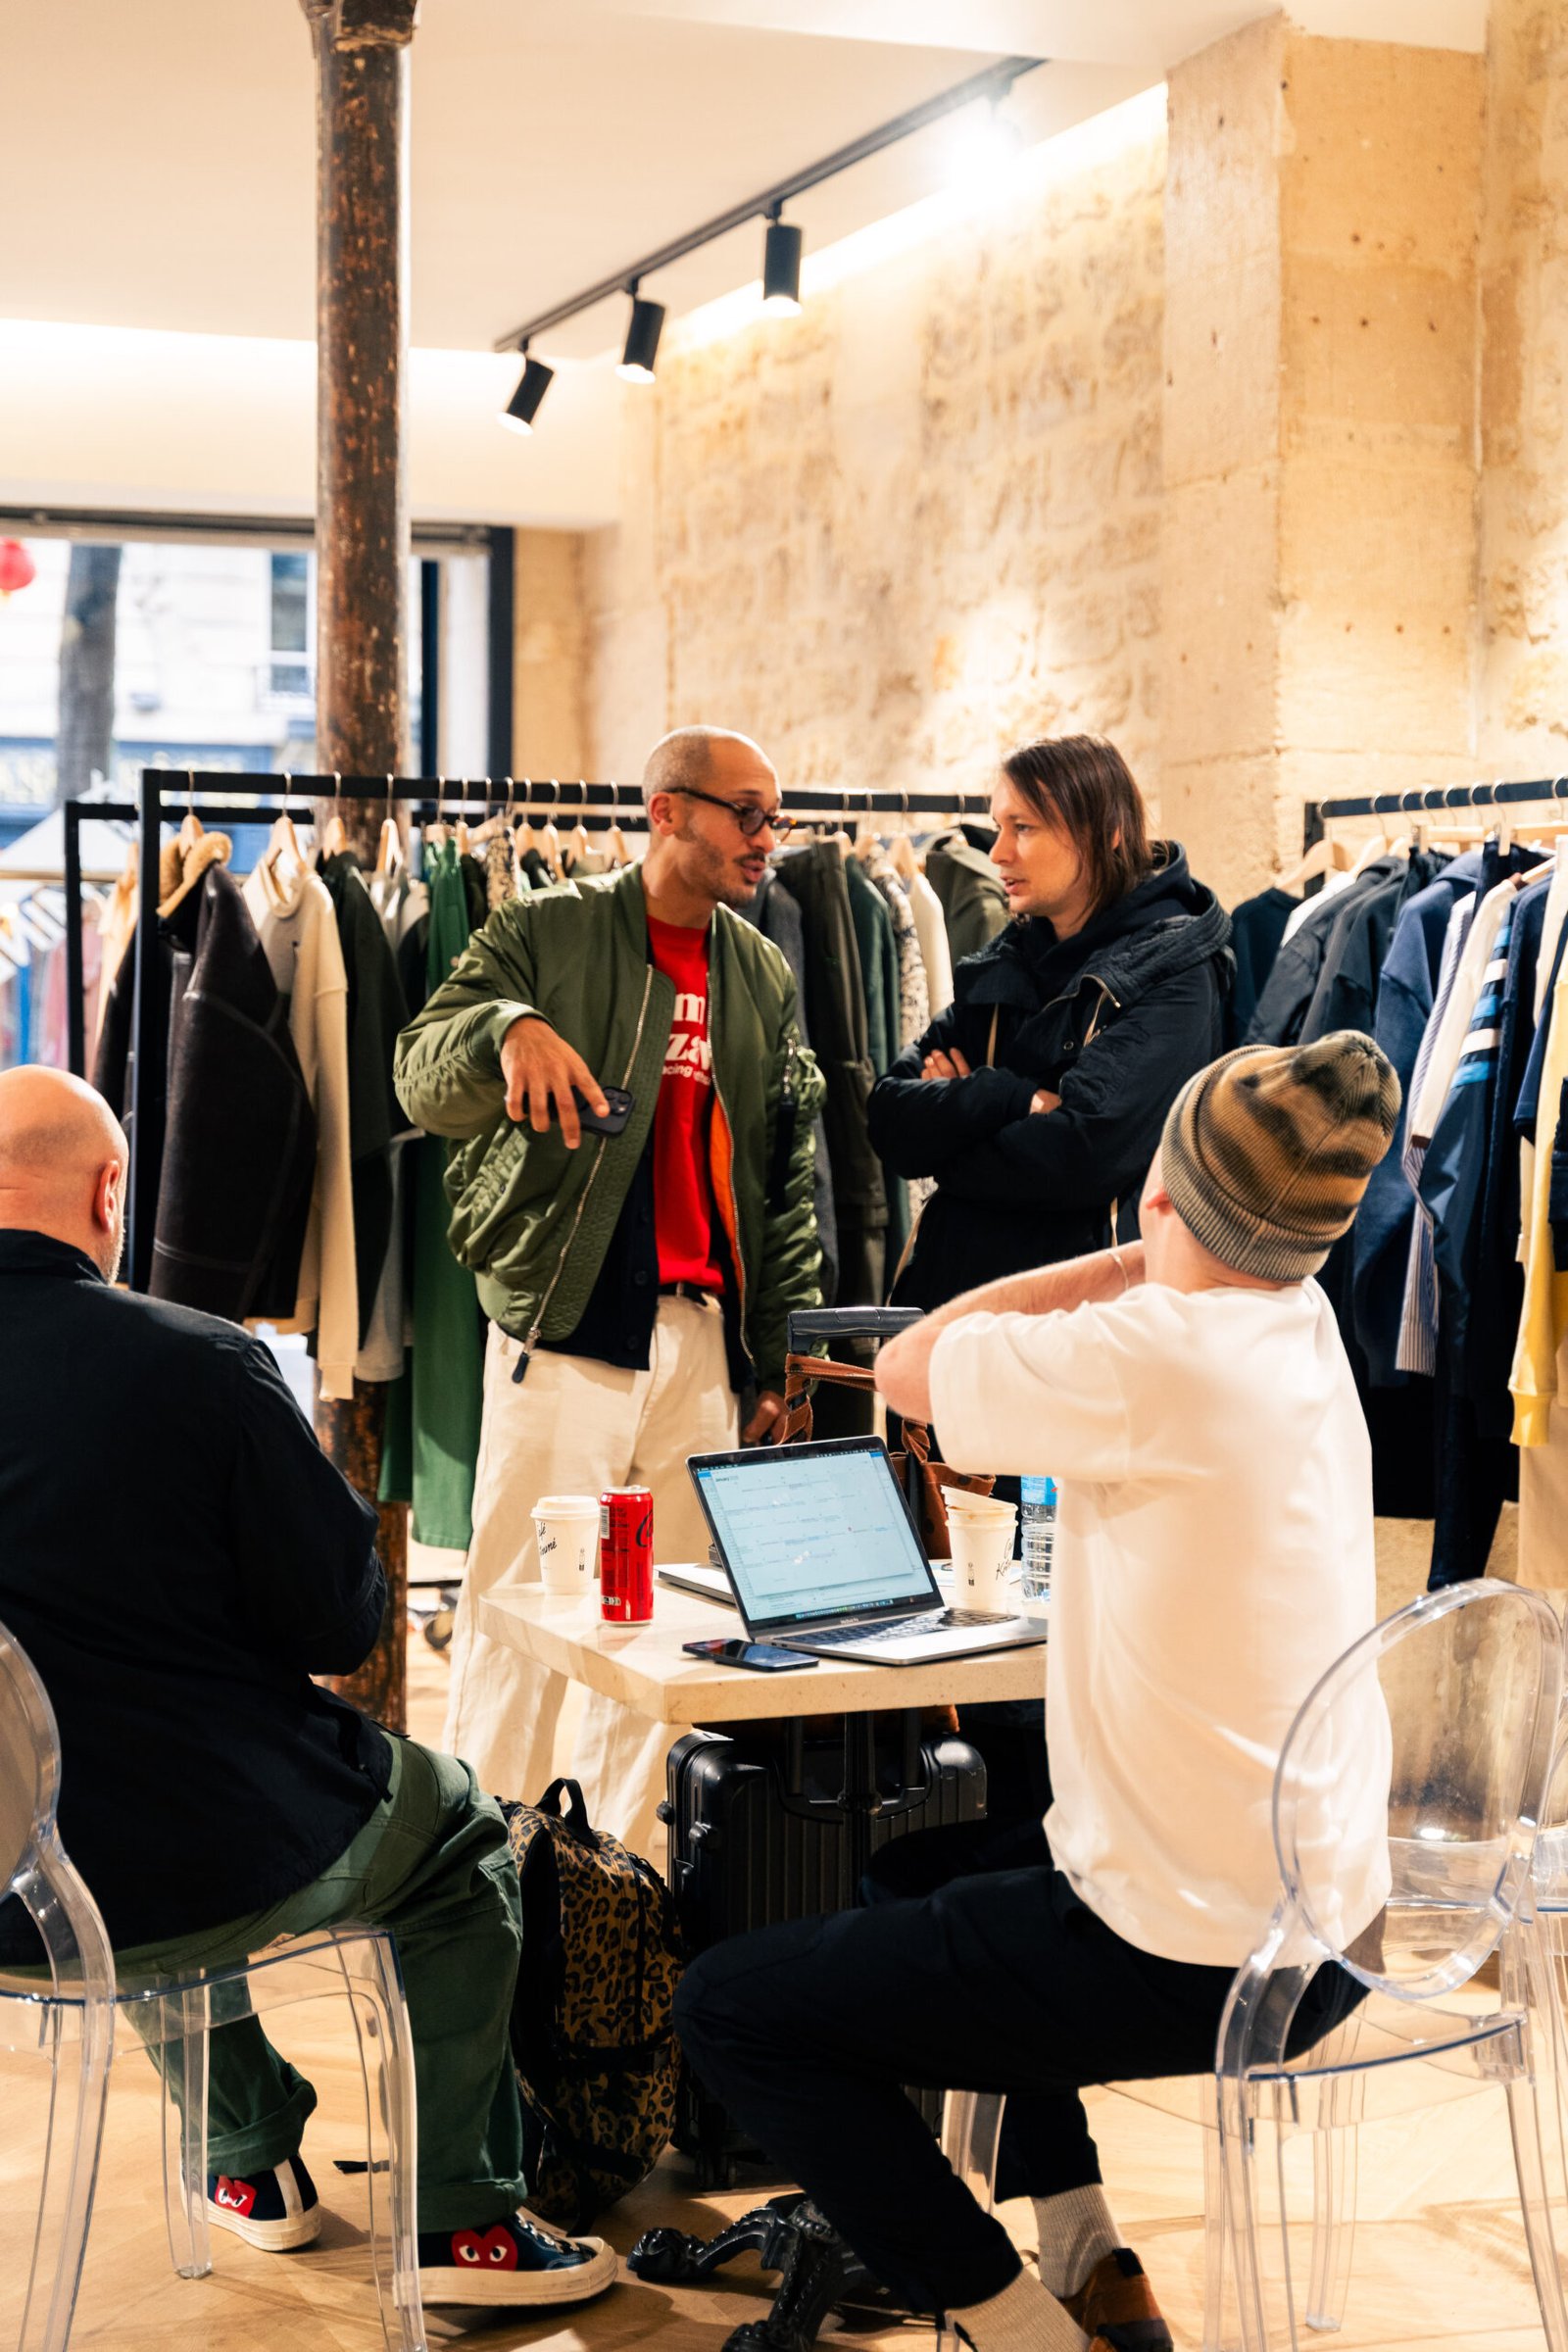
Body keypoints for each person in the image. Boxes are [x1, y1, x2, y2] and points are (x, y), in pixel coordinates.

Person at [675, 1032, 1399, 2352]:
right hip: (1332, 1926)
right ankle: (1086, 2251)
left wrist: (1127, 1255)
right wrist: (1171, 1242)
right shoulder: (1300, 1322)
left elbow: (909, 1365)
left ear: (1167, 1190)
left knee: (732, 2009)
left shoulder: (1158, 1347)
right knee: (914, 1875)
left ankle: (1017, 2331)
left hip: (1186, 1953)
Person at [0, 1066, 614, 2313]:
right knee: (457, 1833)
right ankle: (464, 2224)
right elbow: (338, 1624)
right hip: (174, 1859)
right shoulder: (199, 1365)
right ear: (112, 1193)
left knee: (102, 1799)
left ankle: (248, 2158)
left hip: (20, 1878)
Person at [393, 726, 825, 1852]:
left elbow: (782, 1181)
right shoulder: (550, 928)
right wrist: (507, 1028)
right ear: (666, 810)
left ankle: (626, 1886)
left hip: (703, 1342)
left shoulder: (758, 970)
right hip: (568, 1324)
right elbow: (419, 1074)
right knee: (524, 1624)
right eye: (745, 812)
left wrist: (774, 1359)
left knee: (671, 1635)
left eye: (774, 818)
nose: (766, 838)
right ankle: (486, 1879)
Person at [868, 735, 1231, 1828]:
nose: (999, 852)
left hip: (1075, 1342)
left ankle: (1046, 1863)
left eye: (1024, 827)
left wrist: (967, 1112)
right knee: (943, 1627)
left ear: (1103, 831)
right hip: (957, 1337)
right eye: (997, 826)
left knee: (1039, 1643)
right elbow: (888, 1117)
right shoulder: (1007, 959)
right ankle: (956, 1859)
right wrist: (1000, 1098)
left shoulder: (1171, 968)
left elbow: (1087, 1150)